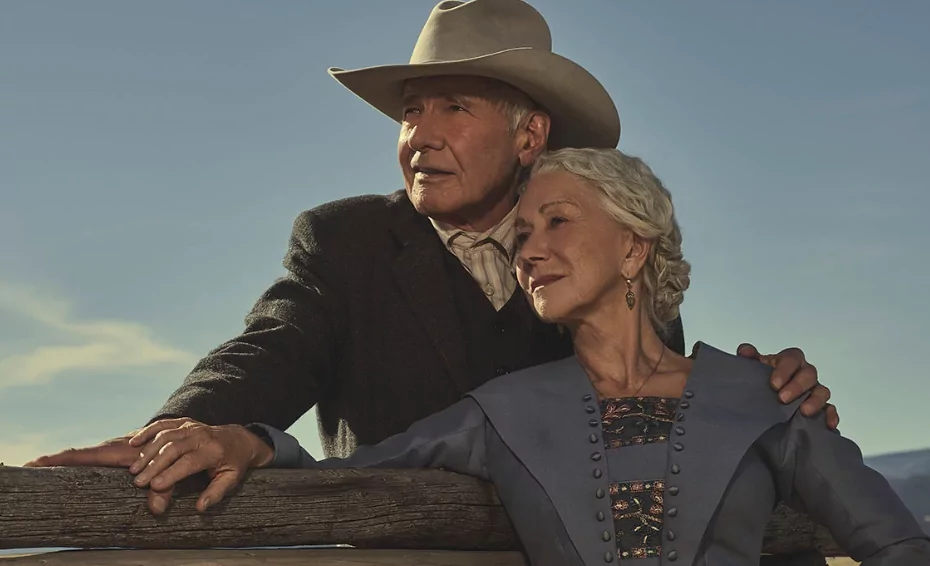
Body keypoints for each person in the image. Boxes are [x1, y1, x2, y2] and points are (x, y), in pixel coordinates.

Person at [26, 0, 835, 516]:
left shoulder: (602, 248)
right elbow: (273, 346)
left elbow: (652, 397)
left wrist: (764, 402)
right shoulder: (345, 242)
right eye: (412, 111)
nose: (422, 135)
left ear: (530, 135)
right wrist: (186, 423)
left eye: (456, 105)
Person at [129, 148, 930, 566]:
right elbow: (354, 474)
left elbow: (895, 544)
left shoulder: (760, 396)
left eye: (557, 223)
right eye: (522, 236)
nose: (529, 251)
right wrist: (249, 438)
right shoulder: (500, 413)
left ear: (632, 246)